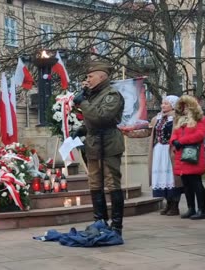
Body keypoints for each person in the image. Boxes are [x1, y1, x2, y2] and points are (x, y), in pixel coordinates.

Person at [73, 61, 125, 235]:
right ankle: (99, 221)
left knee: (112, 184)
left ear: (102, 76)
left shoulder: (112, 94)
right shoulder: (94, 95)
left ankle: (116, 226)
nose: (87, 79)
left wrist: (84, 103)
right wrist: (83, 128)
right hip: (94, 144)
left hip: (109, 144)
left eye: (90, 76)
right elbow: (93, 119)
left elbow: (103, 117)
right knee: (94, 183)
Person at [170, 95, 205, 220]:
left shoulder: (202, 119)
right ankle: (191, 208)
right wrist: (174, 141)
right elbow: (174, 135)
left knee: (196, 183)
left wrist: (181, 141)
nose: (184, 108)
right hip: (181, 156)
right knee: (186, 184)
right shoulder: (180, 120)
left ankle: (202, 210)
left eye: (186, 106)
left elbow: (200, 135)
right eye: (183, 106)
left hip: (193, 155)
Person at [148, 95, 183, 216]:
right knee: (162, 178)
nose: (163, 105)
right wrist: (130, 132)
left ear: (173, 105)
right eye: (162, 103)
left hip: (170, 151)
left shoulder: (178, 118)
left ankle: (175, 205)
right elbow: (147, 131)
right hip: (159, 151)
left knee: (173, 178)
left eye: (166, 104)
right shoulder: (156, 118)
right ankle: (168, 203)